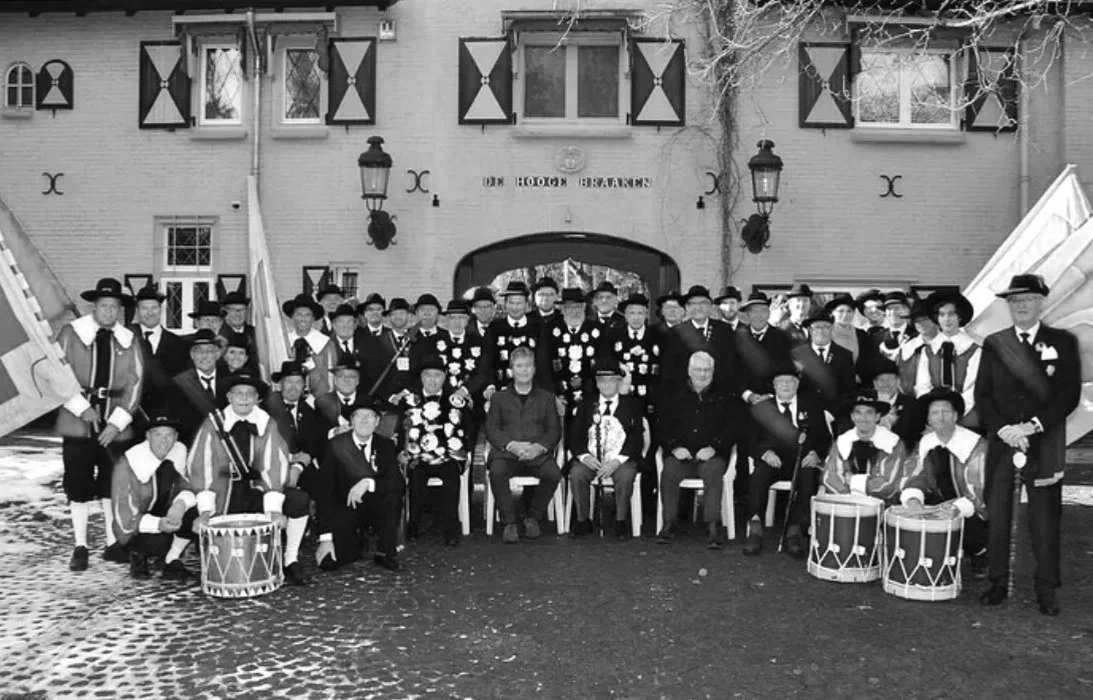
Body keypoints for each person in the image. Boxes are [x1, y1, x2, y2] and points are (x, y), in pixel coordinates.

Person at [974, 274, 1080, 615]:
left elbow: (1068, 394)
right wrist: (1004, 429)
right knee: (1000, 512)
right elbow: (984, 395)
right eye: (1014, 301)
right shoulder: (995, 343)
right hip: (1004, 441)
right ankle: (997, 583)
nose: (1021, 306)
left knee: (1044, 519)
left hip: (1043, 440)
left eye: (1028, 299)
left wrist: (1031, 426)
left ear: (1041, 302)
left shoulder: (1063, 342)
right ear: (1008, 307)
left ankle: (1047, 589)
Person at [187, 372, 311, 585]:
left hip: (257, 491)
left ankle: (291, 560)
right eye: (238, 393)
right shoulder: (212, 424)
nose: (244, 398)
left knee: (299, 501)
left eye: (249, 394)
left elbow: (275, 464)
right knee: (191, 517)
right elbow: (201, 465)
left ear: (257, 399)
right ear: (229, 397)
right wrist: (206, 510)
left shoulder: (267, 424)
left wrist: (274, 509)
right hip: (222, 492)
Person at [56, 278, 144, 571]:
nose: (109, 311)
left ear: (120, 310)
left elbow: (135, 383)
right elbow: (59, 374)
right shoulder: (72, 333)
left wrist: (116, 423)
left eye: (114, 307)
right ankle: (80, 545)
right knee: (78, 483)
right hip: (78, 423)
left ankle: (111, 542)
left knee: (112, 483)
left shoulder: (129, 340)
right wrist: (83, 409)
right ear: (94, 306)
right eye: (104, 306)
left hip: (116, 424)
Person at [743, 364, 831, 557]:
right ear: (773, 386)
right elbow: (749, 439)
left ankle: (794, 530)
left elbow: (825, 438)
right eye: (781, 382)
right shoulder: (762, 407)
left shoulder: (812, 406)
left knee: (808, 475)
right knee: (758, 475)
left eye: (790, 381)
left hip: (802, 460)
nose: (786, 385)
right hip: (772, 460)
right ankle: (756, 530)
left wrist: (816, 453)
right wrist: (764, 453)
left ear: (797, 384)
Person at [657, 351, 736, 549]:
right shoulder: (673, 395)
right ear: (689, 371)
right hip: (681, 454)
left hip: (711, 455)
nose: (702, 374)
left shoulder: (725, 396)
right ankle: (669, 523)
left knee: (713, 472)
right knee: (670, 471)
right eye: (698, 370)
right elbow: (661, 427)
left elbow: (733, 429)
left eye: (707, 370)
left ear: (713, 371)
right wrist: (674, 447)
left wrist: (715, 447)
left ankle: (712, 525)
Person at [316, 399, 405, 571]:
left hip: (377, 507)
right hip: (346, 507)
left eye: (370, 416)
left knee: (392, 495)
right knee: (330, 563)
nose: (364, 420)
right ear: (351, 421)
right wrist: (325, 539)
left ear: (377, 421)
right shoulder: (336, 446)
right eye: (359, 416)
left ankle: (384, 551)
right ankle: (355, 543)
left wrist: (368, 483)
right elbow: (324, 491)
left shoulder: (385, 445)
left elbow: (397, 482)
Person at [899, 389, 988, 561]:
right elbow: (916, 474)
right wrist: (913, 499)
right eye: (935, 413)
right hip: (940, 501)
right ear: (929, 419)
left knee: (972, 530)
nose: (940, 417)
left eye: (945, 412)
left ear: (955, 416)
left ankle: (980, 552)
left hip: (973, 506)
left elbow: (979, 489)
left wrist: (955, 509)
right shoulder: (926, 442)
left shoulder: (976, 446)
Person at [484, 346, 562, 544]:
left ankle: (533, 517)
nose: (524, 370)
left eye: (528, 365)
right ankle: (508, 522)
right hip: (507, 454)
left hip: (537, 454)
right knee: (497, 471)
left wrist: (538, 447)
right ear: (512, 369)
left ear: (534, 369)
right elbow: (492, 429)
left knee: (553, 473)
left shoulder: (547, 398)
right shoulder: (498, 398)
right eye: (519, 366)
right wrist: (511, 445)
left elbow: (554, 430)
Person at [110, 413, 197, 580]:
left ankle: (172, 560)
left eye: (169, 435)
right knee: (159, 543)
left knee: (194, 513)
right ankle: (137, 555)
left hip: (166, 515)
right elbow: (124, 516)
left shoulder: (178, 455)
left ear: (176, 437)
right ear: (147, 436)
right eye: (158, 434)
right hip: (134, 526)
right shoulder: (130, 463)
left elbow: (189, 486)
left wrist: (179, 505)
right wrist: (158, 524)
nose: (164, 441)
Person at [567, 357, 644, 539]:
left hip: (620, 460)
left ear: (619, 382)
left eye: (612, 380)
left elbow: (636, 438)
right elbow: (575, 436)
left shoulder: (632, 405)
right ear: (597, 383)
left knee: (626, 476)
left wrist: (616, 461)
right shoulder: (586, 405)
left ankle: (620, 521)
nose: (607, 385)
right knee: (577, 474)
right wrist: (585, 457)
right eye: (602, 381)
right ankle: (582, 520)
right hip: (591, 459)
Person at [399, 356, 471, 546]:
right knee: (416, 480)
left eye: (437, 375)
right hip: (418, 457)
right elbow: (400, 432)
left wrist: (462, 453)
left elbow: (466, 432)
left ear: (444, 377)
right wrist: (401, 452)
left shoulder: (455, 401)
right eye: (428, 375)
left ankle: (451, 528)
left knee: (451, 478)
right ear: (421, 378)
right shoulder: (409, 401)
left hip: (447, 457)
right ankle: (413, 524)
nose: (432, 380)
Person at [266, 361, 328, 539]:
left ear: (304, 386)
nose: (293, 387)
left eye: (298, 382)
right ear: (280, 384)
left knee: (326, 484)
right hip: (271, 466)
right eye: (289, 381)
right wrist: (291, 459)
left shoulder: (310, 411)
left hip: (302, 467)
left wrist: (300, 464)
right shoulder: (266, 408)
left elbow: (315, 442)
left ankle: (324, 536)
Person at [822, 390, 908, 502]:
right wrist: (851, 498)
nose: (863, 418)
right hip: (847, 505)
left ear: (877, 417)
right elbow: (830, 478)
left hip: (883, 506)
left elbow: (889, 485)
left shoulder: (892, 443)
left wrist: (852, 481)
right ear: (852, 417)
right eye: (858, 412)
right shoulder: (842, 442)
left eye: (869, 412)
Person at [914, 290, 982, 429]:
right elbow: (922, 385)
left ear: (960, 317)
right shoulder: (928, 350)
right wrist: (934, 412)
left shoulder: (974, 350)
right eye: (942, 314)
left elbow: (974, 387)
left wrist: (954, 412)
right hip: (935, 418)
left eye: (951, 314)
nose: (946, 319)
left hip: (967, 417)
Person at [661, 285, 739, 394]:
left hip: (718, 394)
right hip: (685, 394)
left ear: (710, 306)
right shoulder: (676, 332)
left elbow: (731, 363)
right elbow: (670, 368)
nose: (698, 307)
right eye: (693, 303)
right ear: (687, 308)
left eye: (703, 303)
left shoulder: (724, 330)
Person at [479, 281, 551, 399]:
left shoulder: (538, 327)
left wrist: (546, 392)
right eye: (511, 303)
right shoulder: (494, 328)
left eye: (519, 303)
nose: (515, 307)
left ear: (527, 305)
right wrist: (490, 385)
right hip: (502, 390)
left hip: (533, 391)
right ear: (505, 304)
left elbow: (543, 363)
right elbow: (487, 361)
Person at [130, 282, 189, 423]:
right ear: (137, 311)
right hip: (132, 417)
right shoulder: (127, 338)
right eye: (144, 308)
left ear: (161, 309)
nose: (150, 313)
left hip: (167, 419)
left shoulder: (179, 344)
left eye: (154, 308)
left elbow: (182, 386)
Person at [791, 311, 855, 433]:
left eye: (826, 327)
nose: (821, 331)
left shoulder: (844, 355)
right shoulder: (797, 354)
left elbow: (849, 391)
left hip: (836, 413)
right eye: (817, 327)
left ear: (832, 329)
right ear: (810, 330)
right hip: (804, 412)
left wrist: (832, 413)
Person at [547, 287, 601, 423]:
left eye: (578, 307)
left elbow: (603, 363)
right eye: (569, 307)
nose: (574, 311)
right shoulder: (550, 330)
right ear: (563, 309)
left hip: (591, 395)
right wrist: (553, 395)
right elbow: (545, 366)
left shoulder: (597, 330)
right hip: (559, 395)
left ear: (584, 307)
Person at [737, 290, 794, 405]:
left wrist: (771, 395)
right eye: (754, 311)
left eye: (763, 311)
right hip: (743, 402)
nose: (758, 316)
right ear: (747, 314)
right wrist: (748, 395)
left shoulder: (783, 338)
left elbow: (787, 370)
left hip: (775, 402)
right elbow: (733, 371)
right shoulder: (737, 337)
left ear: (769, 313)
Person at [172, 329, 225, 446]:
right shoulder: (179, 384)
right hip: (193, 444)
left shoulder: (229, 380)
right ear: (192, 355)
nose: (204, 356)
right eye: (198, 351)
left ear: (217, 354)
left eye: (209, 351)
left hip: (225, 445)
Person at [362, 296, 418, 403]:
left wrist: (406, 392)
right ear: (388, 318)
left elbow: (420, 372)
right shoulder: (377, 342)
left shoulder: (417, 341)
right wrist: (390, 397)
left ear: (409, 316)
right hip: (385, 400)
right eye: (394, 314)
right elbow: (372, 374)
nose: (398, 317)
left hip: (412, 397)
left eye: (401, 313)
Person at [283, 292, 331, 397]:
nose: (303, 319)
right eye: (299, 314)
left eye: (307, 315)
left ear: (313, 318)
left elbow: (329, 375)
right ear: (292, 317)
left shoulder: (325, 342)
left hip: (318, 394)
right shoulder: (284, 341)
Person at [315, 356, 365, 436]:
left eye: (352, 376)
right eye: (341, 376)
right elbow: (317, 434)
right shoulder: (322, 403)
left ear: (358, 380)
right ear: (334, 380)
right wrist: (335, 432)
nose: (346, 380)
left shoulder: (367, 402)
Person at [827, 293, 874, 374]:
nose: (845, 315)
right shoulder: (825, 333)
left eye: (849, 311)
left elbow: (867, 362)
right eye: (841, 311)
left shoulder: (862, 335)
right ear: (833, 313)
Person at [321, 303, 369, 383]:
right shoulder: (324, 347)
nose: (345, 326)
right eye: (341, 321)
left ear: (355, 325)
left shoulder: (367, 345)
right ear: (334, 325)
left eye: (349, 322)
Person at [218, 290, 259, 373]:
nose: (238, 314)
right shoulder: (218, 334)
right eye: (233, 310)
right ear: (224, 312)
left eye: (242, 310)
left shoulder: (256, 333)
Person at [873, 291, 918, 362]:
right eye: (889, 309)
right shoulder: (875, 338)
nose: (893, 312)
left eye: (897, 308)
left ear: (907, 311)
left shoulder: (917, 336)